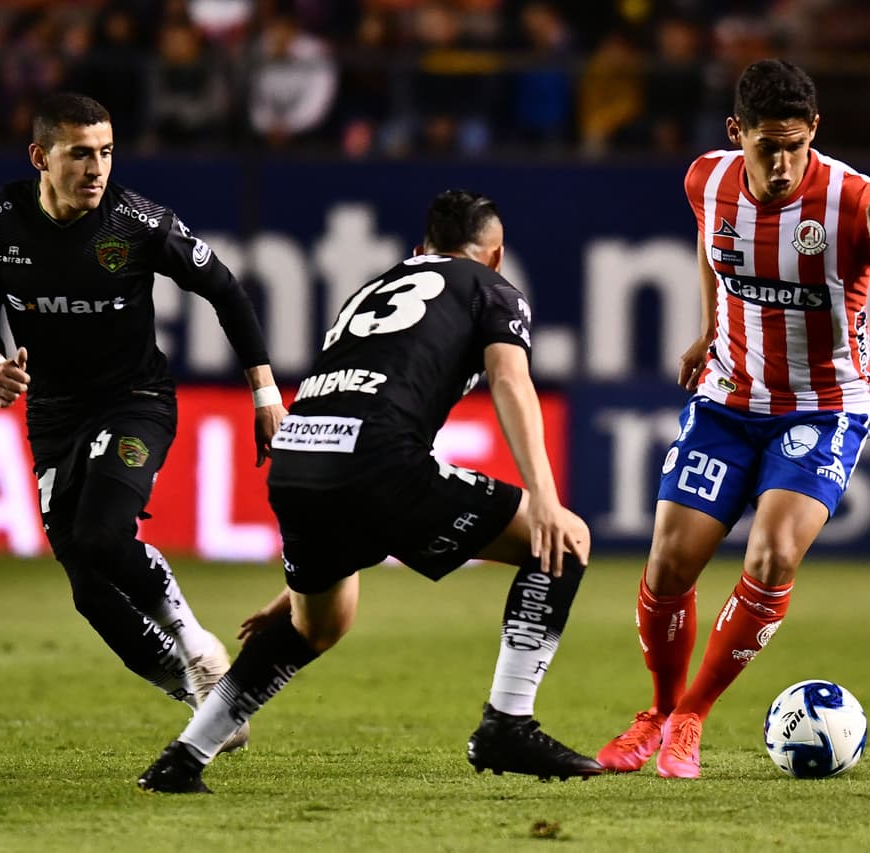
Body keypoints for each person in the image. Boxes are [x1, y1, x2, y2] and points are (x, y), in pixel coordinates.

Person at [137, 190, 602, 794]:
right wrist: (543, 493)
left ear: (420, 250)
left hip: (298, 457)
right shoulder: (491, 289)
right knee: (564, 540)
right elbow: (511, 380)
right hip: (378, 458)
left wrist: (307, 574)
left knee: (320, 622)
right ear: (495, 256)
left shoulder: (371, 290)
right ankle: (507, 723)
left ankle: (185, 756)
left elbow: (356, 403)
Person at [595, 59, 870, 779]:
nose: (784, 162)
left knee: (772, 555)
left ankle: (691, 717)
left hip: (825, 407)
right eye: (768, 145)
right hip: (729, 398)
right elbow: (710, 240)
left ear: (814, 131)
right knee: (668, 562)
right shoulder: (707, 179)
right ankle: (657, 713)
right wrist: (706, 328)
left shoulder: (855, 202)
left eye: (797, 144)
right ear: (738, 134)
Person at [0, 92, 287, 752]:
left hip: (135, 399)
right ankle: (205, 696)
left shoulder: (137, 223)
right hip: (52, 415)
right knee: (90, 592)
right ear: (39, 157)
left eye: (106, 152)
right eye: (80, 153)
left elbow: (224, 288)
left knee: (105, 534)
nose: (96, 167)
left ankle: (199, 648)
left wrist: (264, 391)